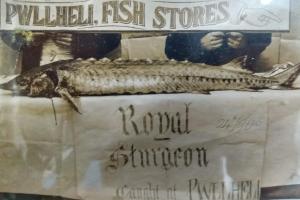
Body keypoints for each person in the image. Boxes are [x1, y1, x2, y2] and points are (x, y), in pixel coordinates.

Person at [1, 31, 121, 72]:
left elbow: (114, 36)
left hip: (81, 76)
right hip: (34, 78)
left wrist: (81, 42)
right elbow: (6, 31)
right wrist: (27, 38)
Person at [165, 32, 272, 70]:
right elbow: (171, 51)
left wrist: (246, 43)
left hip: (241, 73)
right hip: (194, 77)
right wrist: (198, 46)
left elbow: (265, 39)